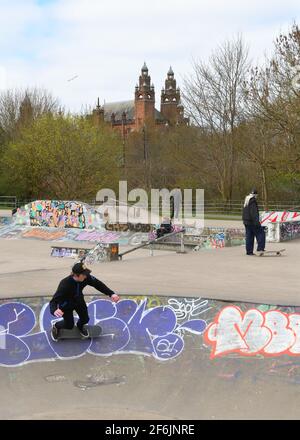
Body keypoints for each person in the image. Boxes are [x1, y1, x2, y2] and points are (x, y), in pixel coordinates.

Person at [49, 262, 120, 340]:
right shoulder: (64, 284)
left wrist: (111, 294)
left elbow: (98, 284)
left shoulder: (86, 277)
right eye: (84, 274)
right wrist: (54, 310)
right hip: (66, 305)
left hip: (79, 301)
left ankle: (80, 326)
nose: (86, 276)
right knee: (69, 325)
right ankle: (56, 326)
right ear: (76, 275)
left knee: (85, 319)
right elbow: (54, 300)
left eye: (86, 274)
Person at [242, 188, 266, 255]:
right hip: (252, 222)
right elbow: (253, 213)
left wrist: (244, 220)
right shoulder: (252, 201)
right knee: (261, 233)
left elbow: (244, 212)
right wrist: (257, 222)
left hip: (246, 221)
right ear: (255, 195)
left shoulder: (246, 200)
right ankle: (260, 248)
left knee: (249, 236)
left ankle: (249, 251)